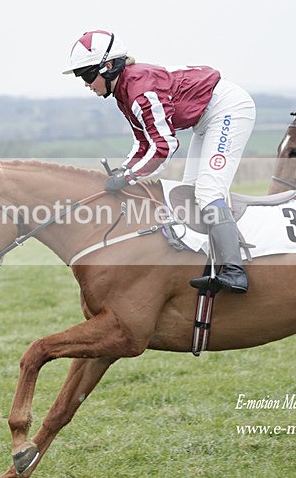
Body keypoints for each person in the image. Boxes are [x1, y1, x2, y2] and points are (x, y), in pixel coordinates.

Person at [62, 30, 256, 293]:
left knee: (208, 192)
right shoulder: (124, 90)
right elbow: (144, 144)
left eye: (87, 75)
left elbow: (164, 147)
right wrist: (123, 170)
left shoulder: (139, 91)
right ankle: (207, 264)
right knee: (187, 194)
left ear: (108, 67)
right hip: (205, 117)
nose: (86, 84)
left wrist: (129, 177)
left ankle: (235, 271)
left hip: (227, 109)